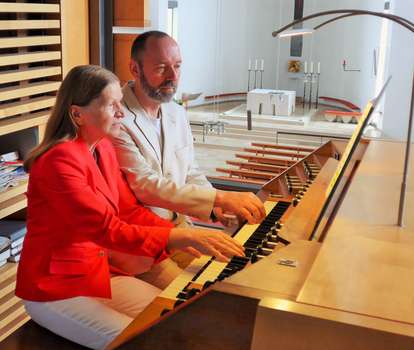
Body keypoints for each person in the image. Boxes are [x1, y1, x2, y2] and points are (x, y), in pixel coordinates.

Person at [15, 65, 244, 350]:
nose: (121, 113)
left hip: (96, 274)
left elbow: (128, 211)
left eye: (119, 103)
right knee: (144, 341)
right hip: (54, 290)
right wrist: (180, 237)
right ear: (77, 114)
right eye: (112, 105)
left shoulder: (103, 149)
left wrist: (178, 238)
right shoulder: (58, 162)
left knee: (176, 319)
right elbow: (105, 229)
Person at [111, 30, 266, 244]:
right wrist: (220, 197)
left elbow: (190, 171)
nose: (173, 76)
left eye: (177, 66)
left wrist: (217, 207)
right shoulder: (116, 118)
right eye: (161, 67)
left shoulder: (177, 112)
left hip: (182, 227)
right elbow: (146, 186)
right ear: (135, 69)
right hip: (144, 236)